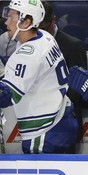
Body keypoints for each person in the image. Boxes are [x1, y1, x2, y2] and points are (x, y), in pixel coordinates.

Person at [0, 0, 78, 153]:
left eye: (11, 17)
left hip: (45, 130)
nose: (6, 21)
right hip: (63, 116)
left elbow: (5, 97)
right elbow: (36, 71)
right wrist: (6, 68)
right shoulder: (45, 37)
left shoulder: (26, 55)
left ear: (26, 22)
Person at [39, 1, 88, 153]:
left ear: (52, 20)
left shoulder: (72, 45)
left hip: (64, 123)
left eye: (42, 27)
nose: (38, 33)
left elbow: (79, 87)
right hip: (36, 122)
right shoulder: (25, 44)